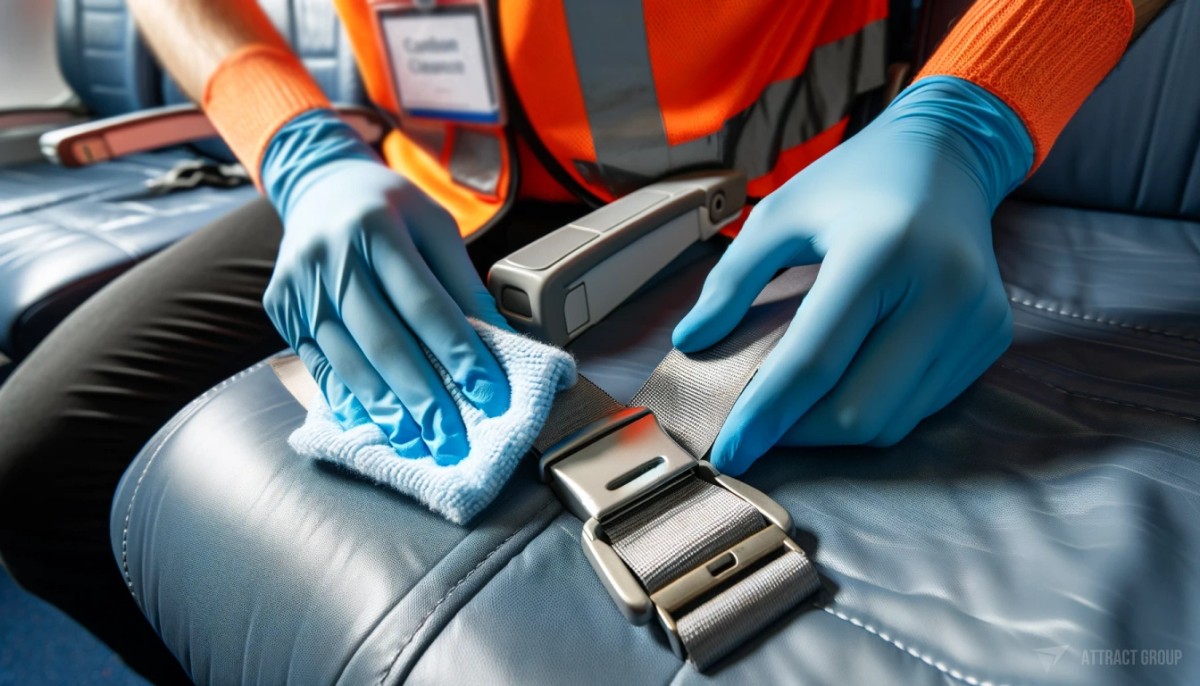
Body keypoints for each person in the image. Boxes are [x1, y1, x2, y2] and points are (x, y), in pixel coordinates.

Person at [0, 0, 1171, 682]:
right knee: (39, 461)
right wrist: (293, 142)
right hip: (421, 178)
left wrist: (978, 107)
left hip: (764, 195)